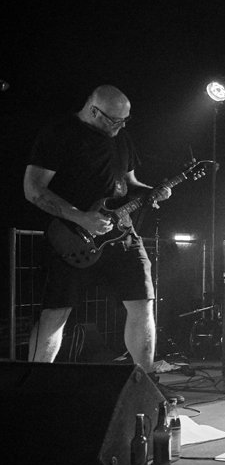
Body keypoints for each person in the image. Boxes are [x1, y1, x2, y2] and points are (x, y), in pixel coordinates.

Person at [24, 85, 173, 389]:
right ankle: (34, 386)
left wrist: (151, 192)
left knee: (142, 302)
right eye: (115, 121)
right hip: (71, 237)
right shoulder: (59, 133)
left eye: (125, 120)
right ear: (94, 111)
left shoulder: (121, 138)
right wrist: (80, 217)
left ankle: (145, 386)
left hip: (122, 233)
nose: (121, 127)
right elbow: (33, 189)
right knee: (56, 312)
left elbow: (130, 183)